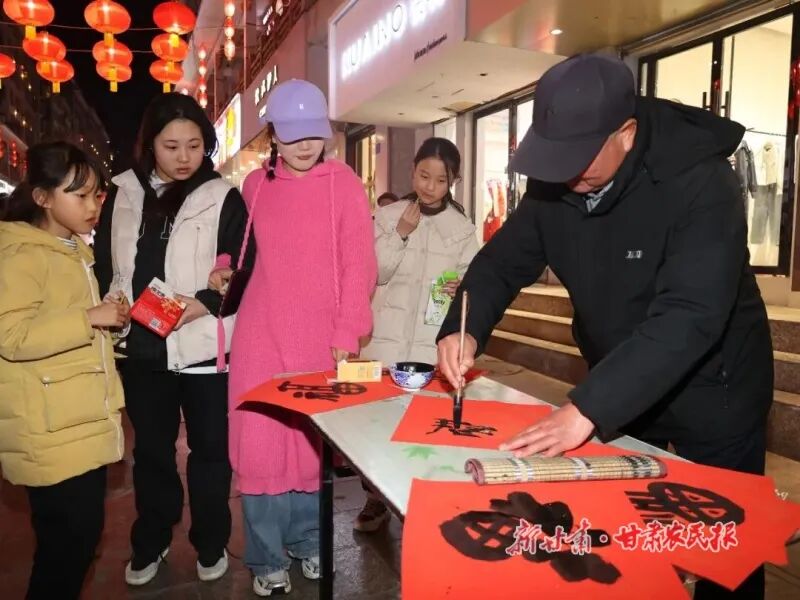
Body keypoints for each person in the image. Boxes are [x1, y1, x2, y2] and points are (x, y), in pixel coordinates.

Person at [437, 53, 772, 600]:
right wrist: (465, 328)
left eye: (580, 157)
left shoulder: (701, 180)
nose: (566, 174)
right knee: (624, 538)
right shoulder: (557, 182)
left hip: (714, 386)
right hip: (622, 380)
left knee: (721, 548)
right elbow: (500, 265)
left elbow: (691, 314)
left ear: (627, 132)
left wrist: (588, 407)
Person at [210, 79, 377, 596]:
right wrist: (223, 265)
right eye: (292, 134)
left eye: (313, 133)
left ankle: (307, 542)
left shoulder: (344, 184)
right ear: (273, 137)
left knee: (309, 447)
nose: (305, 145)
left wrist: (349, 328)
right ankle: (265, 557)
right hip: (260, 333)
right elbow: (239, 245)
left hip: (321, 336)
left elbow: (360, 264)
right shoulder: (255, 186)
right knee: (259, 446)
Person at [93, 93, 251, 586]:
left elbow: (243, 268)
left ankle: (211, 540)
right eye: (171, 146)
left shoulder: (223, 196)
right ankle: (152, 538)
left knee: (210, 452)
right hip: (142, 347)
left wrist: (198, 305)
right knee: (152, 453)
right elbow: (106, 264)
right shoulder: (122, 192)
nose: (184, 157)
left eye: (194, 145)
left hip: (202, 345)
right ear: (150, 145)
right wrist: (113, 305)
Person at [0, 142, 128, 599]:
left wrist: (109, 322)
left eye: (97, 195)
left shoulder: (70, 251)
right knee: (67, 548)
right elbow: (11, 336)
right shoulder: (22, 254)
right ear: (43, 197)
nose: (93, 206)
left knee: (73, 544)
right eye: (80, 195)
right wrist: (89, 318)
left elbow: (67, 330)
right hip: (51, 428)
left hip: (75, 422)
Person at [355, 138, 478, 532]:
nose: (430, 187)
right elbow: (374, 275)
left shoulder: (461, 229)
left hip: (429, 345)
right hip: (384, 342)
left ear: (452, 182)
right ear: (412, 172)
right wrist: (400, 234)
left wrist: (461, 291)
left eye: (441, 180)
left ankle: (415, 502)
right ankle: (375, 498)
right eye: (424, 176)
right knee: (376, 427)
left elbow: (472, 286)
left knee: (420, 429)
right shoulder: (388, 216)